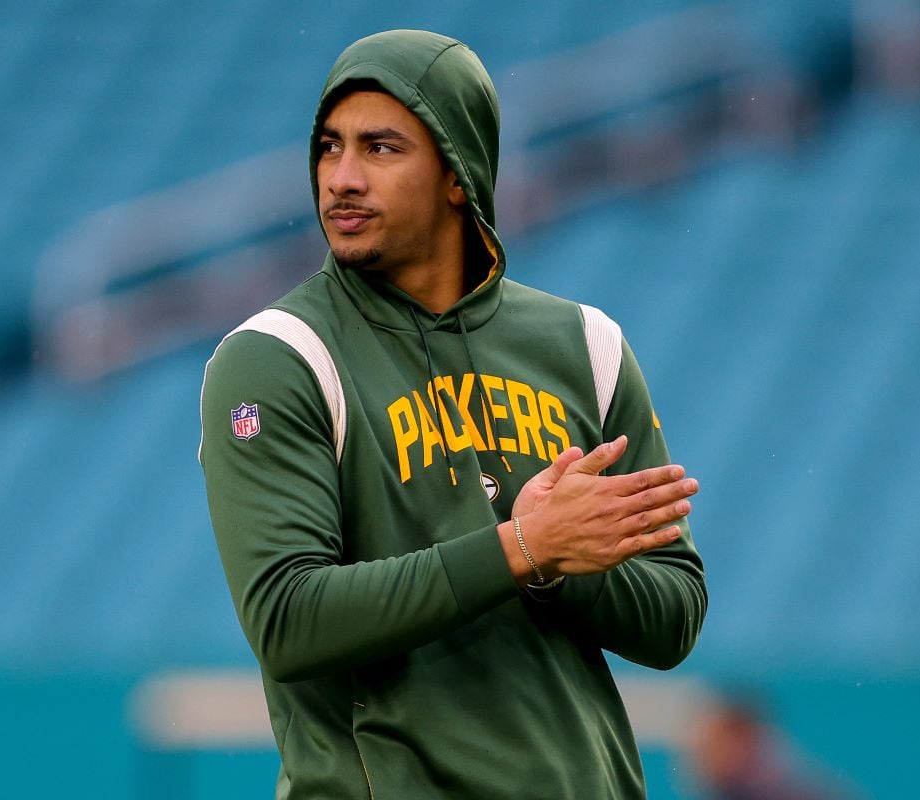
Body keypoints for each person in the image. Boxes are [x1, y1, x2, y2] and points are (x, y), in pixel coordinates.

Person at [199, 28, 707, 799]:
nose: (341, 179)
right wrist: (522, 547)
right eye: (329, 147)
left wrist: (555, 569)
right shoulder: (280, 354)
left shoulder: (586, 345)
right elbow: (288, 619)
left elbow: (674, 617)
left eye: (380, 149)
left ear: (458, 174)